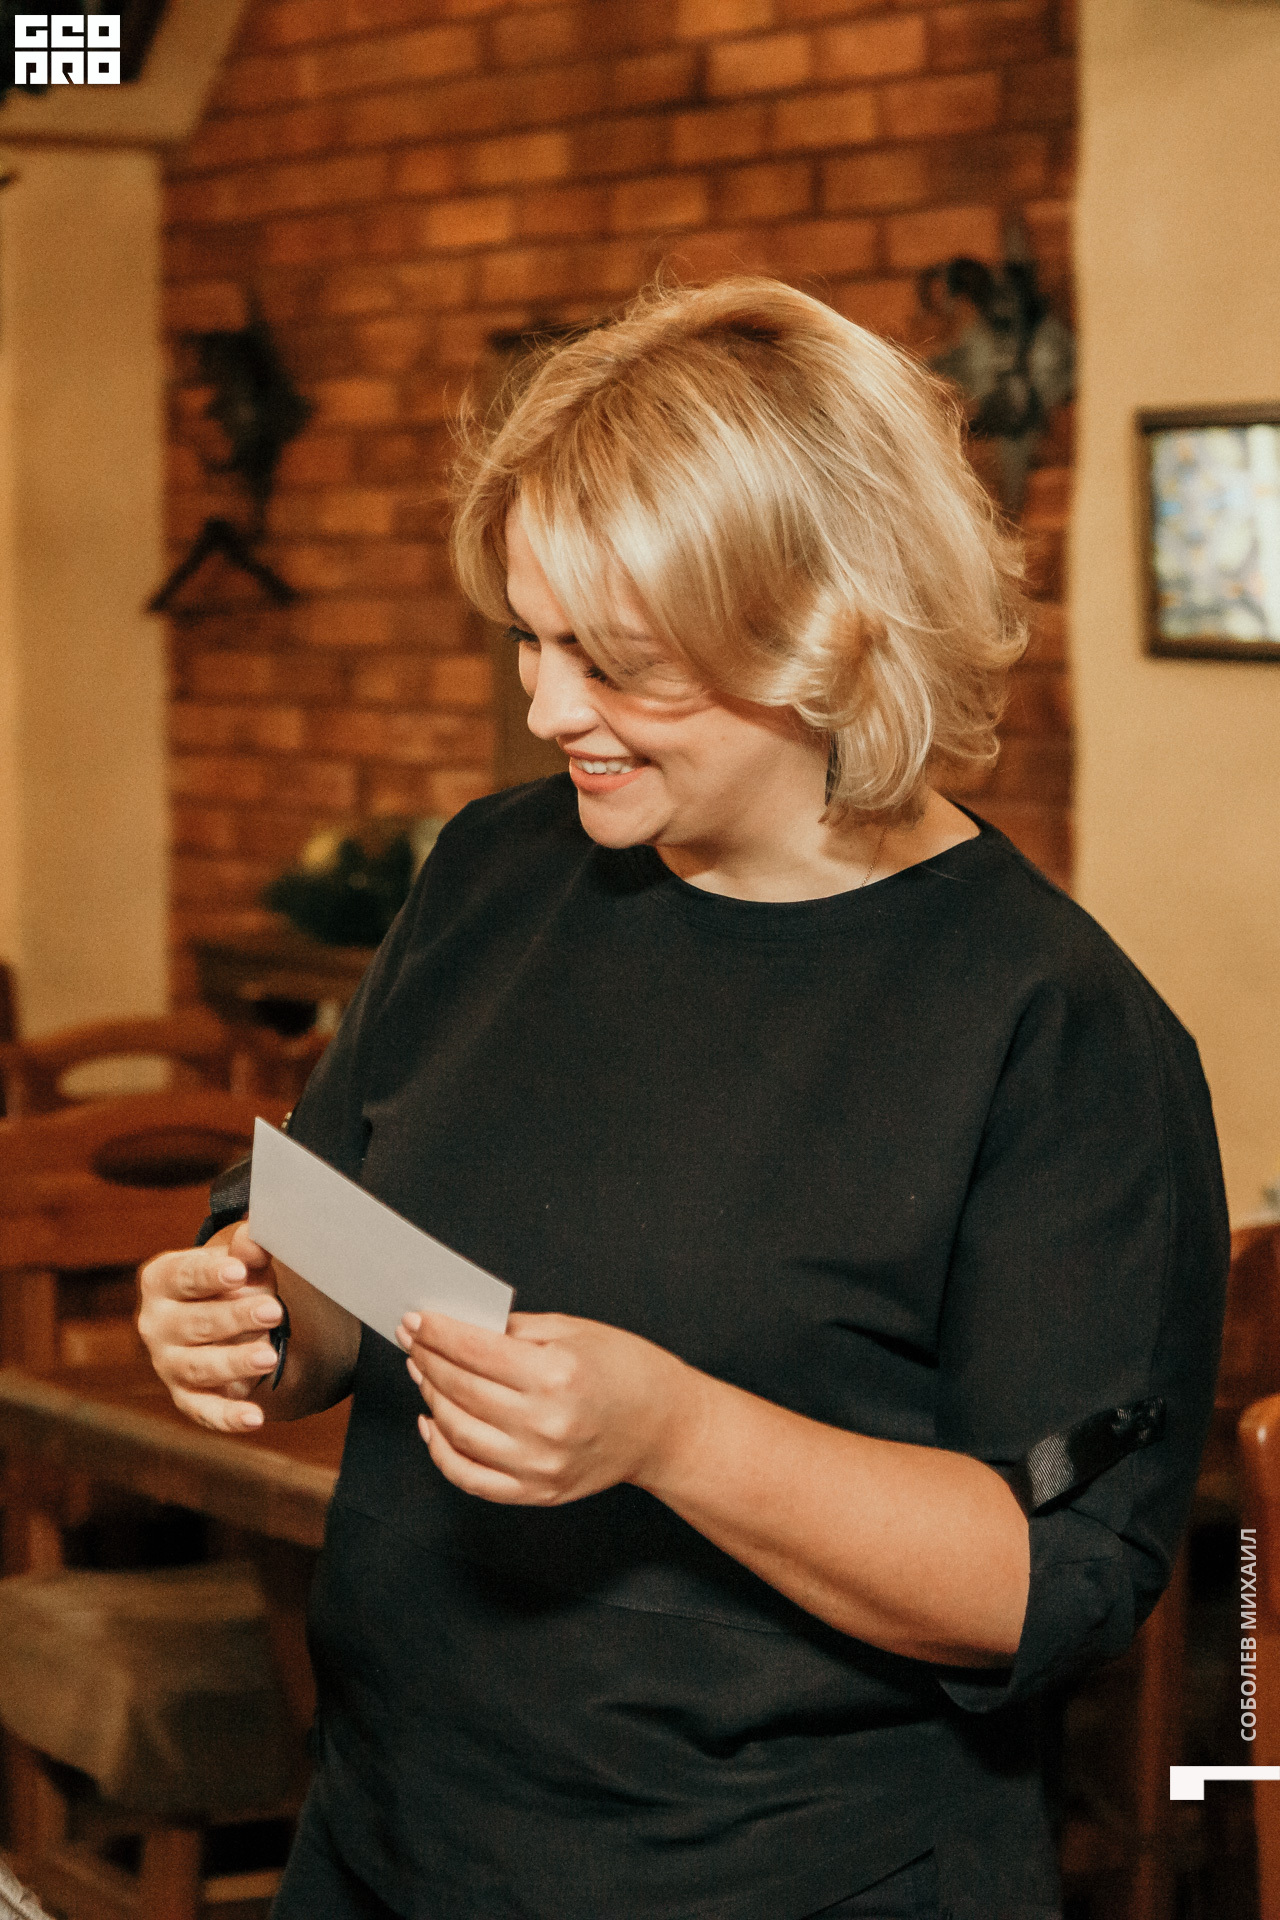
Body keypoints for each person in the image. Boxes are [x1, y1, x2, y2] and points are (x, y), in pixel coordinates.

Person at [138, 278, 1229, 1920]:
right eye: (530, 638)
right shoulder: (493, 875)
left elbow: (1049, 1580)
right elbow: (347, 1245)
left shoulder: (1054, 1031)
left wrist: (672, 1433)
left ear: (824, 632)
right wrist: (261, 1311)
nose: (546, 709)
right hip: (388, 1839)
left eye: (617, 662)